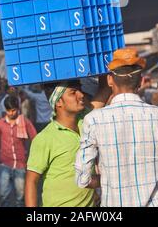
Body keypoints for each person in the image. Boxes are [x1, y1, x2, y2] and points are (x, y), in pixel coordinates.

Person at [75, 48, 158, 207]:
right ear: (141, 81)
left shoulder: (94, 120)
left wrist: (108, 179)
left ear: (110, 80)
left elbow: (82, 178)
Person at [25, 77, 110, 207]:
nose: (81, 95)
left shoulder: (86, 121)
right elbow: (31, 181)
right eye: (73, 92)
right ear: (58, 101)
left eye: (80, 90)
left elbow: (105, 89)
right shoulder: (45, 138)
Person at [0, 95, 37, 207]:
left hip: (20, 164)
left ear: (18, 108)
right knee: (3, 196)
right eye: (8, 110)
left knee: (21, 197)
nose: (11, 113)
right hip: (4, 164)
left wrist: (32, 159)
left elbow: (35, 139)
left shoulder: (25, 122)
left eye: (13, 110)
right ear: (5, 110)